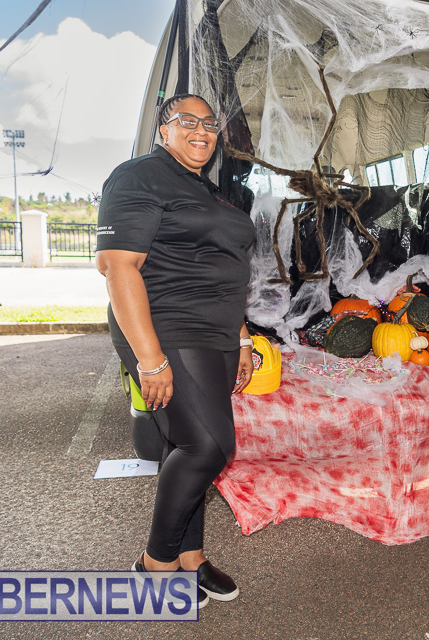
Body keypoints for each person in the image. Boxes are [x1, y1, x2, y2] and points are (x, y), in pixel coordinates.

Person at [96, 93, 256, 605]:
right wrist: (150, 358)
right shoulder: (137, 176)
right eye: (187, 121)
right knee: (209, 446)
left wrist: (243, 335)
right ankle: (156, 562)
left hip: (215, 333)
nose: (202, 131)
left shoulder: (202, 188)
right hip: (166, 330)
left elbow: (224, 268)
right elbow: (118, 267)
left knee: (182, 446)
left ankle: (191, 557)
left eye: (210, 124)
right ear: (163, 129)